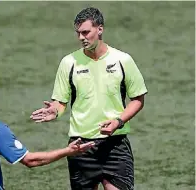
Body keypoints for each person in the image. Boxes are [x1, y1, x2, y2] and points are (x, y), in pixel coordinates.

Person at [30, 7, 148, 190]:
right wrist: (54, 110)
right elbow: (61, 102)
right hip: (80, 146)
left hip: (115, 145)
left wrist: (118, 121)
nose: (81, 38)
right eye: (78, 33)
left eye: (85, 32)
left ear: (99, 29)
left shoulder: (122, 60)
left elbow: (138, 99)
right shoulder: (68, 63)